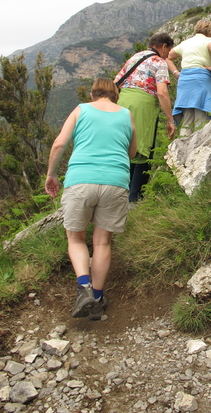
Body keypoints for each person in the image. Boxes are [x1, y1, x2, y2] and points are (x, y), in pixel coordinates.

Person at [45, 78, 137, 319]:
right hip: (116, 181)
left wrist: (51, 175)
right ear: (115, 95)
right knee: (102, 243)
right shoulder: (126, 114)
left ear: (93, 94)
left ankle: (83, 286)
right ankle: (97, 298)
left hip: (81, 180)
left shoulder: (81, 109)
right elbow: (132, 152)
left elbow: (59, 145)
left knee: (76, 238)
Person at [114, 33, 175, 201]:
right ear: (163, 46)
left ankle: (117, 193)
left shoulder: (135, 57)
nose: (168, 55)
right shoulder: (159, 62)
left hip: (122, 101)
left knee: (124, 147)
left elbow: (116, 81)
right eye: (168, 51)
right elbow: (162, 93)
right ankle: (134, 198)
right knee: (142, 148)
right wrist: (170, 119)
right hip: (143, 105)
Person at [168, 20, 211, 137]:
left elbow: (167, 56)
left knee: (187, 118)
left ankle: (183, 147)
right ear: (209, 31)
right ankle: (197, 147)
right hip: (201, 79)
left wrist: (176, 72)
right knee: (201, 117)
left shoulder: (185, 43)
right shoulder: (208, 40)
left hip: (185, 81)